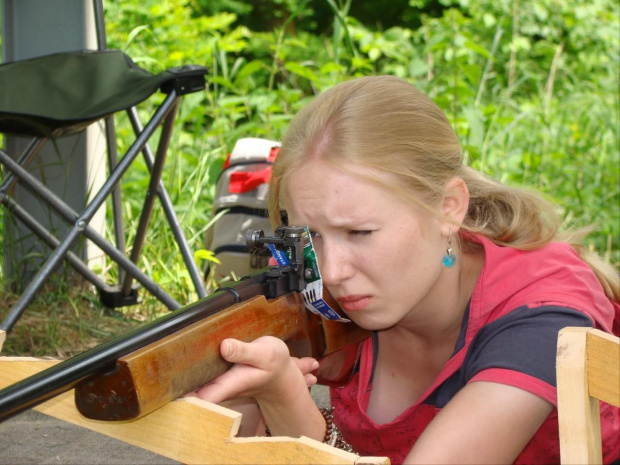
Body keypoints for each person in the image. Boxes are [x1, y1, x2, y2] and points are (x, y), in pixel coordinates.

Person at [191, 75, 620, 464]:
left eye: (360, 232)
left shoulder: (542, 318)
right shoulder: (327, 298)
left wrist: (288, 404)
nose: (333, 272)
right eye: (311, 237)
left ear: (448, 208)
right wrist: (246, 405)